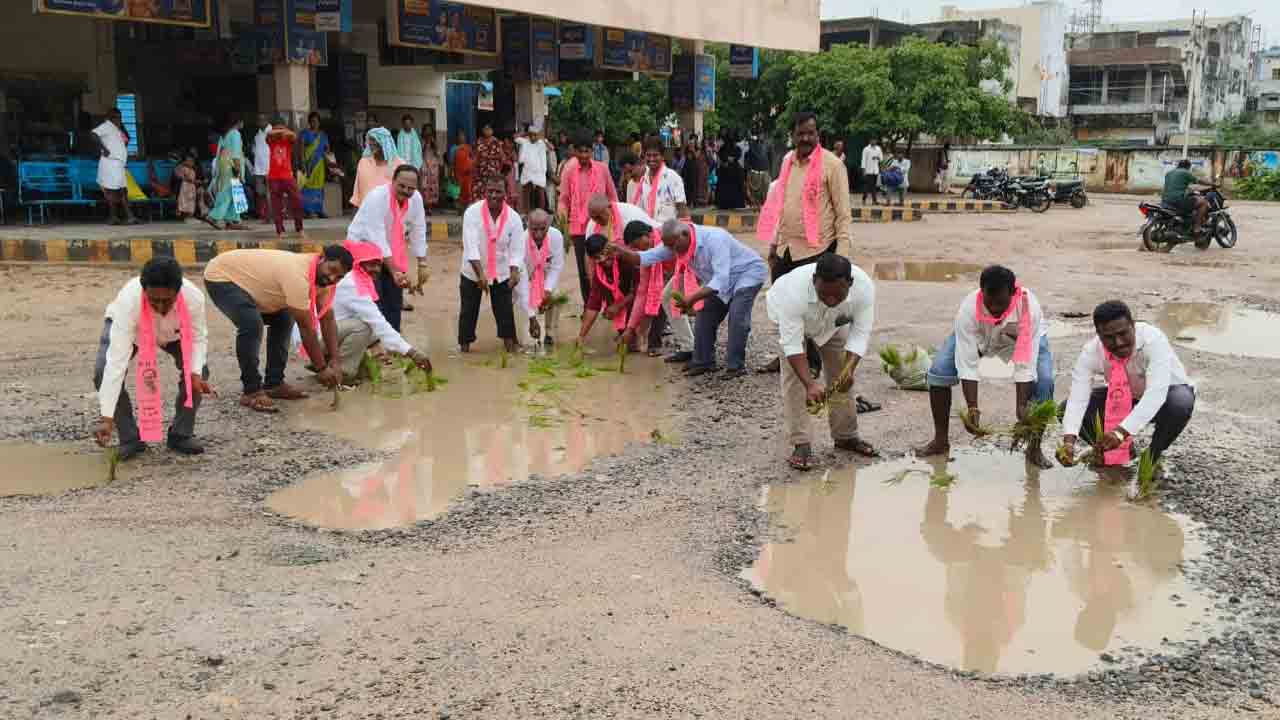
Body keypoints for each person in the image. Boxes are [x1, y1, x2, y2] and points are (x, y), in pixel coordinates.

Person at [916, 265, 1055, 468]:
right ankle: (940, 441)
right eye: (990, 303)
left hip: (1020, 341)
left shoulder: (1028, 308)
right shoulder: (968, 308)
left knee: (1044, 382)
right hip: (981, 338)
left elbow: (1024, 365)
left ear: (1013, 292)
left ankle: (1034, 448)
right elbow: (967, 362)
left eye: (1001, 303)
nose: (995, 309)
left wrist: (1021, 408)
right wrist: (972, 407)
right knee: (938, 373)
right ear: (982, 292)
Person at [757, 111, 854, 374]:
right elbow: (781, 205)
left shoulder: (832, 165)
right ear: (793, 135)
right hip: (787, 248)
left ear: (817, 134)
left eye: (810, 133)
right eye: (800, 133)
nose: (805, 138)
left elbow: (844, 215)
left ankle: (815, 364)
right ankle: (790, 356)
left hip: (817, 250)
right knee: (783, 308)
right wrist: (773, 246)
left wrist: (841, 259)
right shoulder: (788, 160)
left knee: (814, 311)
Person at [203, 246, 352, 413]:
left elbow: (327, 318)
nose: (332, 278)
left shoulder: (324, 281)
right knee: (252, 325)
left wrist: (336, 361)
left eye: (339, 277)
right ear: (322, 258)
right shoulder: (299, 274)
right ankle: (251, 391)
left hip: (254, 284)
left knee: (283, 319)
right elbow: (306, 328)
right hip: (222, 275)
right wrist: (322, 369)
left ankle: (274, 384)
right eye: (331, 270)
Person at [766, 253, 878, 469]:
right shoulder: (794, 292)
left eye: (838, 294)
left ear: (850, 284)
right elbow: (792, 345)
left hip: (832, 325)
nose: (830, 300)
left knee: (841, 375)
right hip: (790, 319)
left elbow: (860, 333)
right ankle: (801, 443)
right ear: (814, 279)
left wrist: (849, 369)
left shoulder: (864, 288)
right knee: (794, 379)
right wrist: (810, 384)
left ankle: (846, 436)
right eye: (823, 293)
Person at [615, 219, 767, 377]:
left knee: (737, 316)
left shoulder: (715, 239)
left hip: (747, 273)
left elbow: (720, 280)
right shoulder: (674, 243)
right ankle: (703, 361)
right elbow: (645, 257)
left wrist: (692, 298)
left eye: (673, 246)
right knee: (705, 315)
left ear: (685, 235)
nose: (671, 251)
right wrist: (618, 250)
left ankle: (736, 366)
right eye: (668, 247)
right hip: (721, 279)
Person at [94, 257, 212, 460]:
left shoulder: (194, 298)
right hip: (136, 330)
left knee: (199, 372)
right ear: (143, 291)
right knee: (102, 370)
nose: (159, 306)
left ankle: (180, 434)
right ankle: (130, 439)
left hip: (174, 333)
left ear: (178, 290)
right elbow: (116, 363)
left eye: (166, 300)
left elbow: (198, 338)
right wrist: (107, 416)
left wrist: (194, 372)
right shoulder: (128, 303)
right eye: (153, 300)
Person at [1059, 301, 1194, 466]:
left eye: (1123, 333)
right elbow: (1077, 398)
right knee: (1064, 408)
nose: (1119, 343)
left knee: (1180, 402)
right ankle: (1111, 452)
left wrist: (1120, 432)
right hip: (1125, 397)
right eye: (1108, 337)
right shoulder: (1091, 351)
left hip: (1166, 398)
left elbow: (1155, 394)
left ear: (1133, 325)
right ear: (1098, 334)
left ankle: (1152, 456)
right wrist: (1069, 441)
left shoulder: (1152, 340)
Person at [332, 240, 432, 384]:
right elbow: (378, 323)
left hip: (334, 331)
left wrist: (379, 348)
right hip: (321, 338)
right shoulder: (352, 284)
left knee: (369, 332)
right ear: (359, 263)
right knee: (364, 327)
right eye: (371, 264)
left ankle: (340, 364)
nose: (376, 269)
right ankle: (341, 375)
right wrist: (412, 353)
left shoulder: (358, 279)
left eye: (378, 264)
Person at [346, 164, 428, 332]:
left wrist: (422, 263)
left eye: (411, 188)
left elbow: (418, 228)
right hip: (365, 248)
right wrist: (395, 271)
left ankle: (394, 346)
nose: (406, 191)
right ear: (392, 181)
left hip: (390, 250)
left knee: (394, 301)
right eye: (401, 186)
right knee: (374, 301)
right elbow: (377, 237)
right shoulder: (377, 197)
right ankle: (373, 347)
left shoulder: (416, 199)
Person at [460, 175, 525, 353]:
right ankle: (464, 348)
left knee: (505, 310)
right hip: (472, 271)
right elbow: (470, 246)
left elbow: (517, 249)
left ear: (506, 193)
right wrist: (480, 274)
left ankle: (510, 345)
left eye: (498, 192)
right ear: (485, 192)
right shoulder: (472, 213)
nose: (494, 195)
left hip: (501, 272)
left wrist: (514, 271)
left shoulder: (514, 218)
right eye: (490, 191)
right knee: (468, 310)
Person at [557, 131, 619, 303]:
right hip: (578, 229)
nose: (584, 155)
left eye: (587, 151)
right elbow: (563, 200)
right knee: (585, 272)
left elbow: (613, 198)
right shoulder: (568, 170)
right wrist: (563, 227)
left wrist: (615, 224)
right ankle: (589, 305)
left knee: (607, 265)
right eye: (580, 151)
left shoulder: (602, 169)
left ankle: (612, 303)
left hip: (601, 227)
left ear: (592, 152)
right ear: (574, 152)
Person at [514, 209, 566, 349]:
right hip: (525, 281)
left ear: (549, 224)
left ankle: (549, 333)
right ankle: (517, 335)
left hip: (546, 280)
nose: (538, 234)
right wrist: (532, 317)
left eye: (543, 229)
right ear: (527, 225)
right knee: (514, 299)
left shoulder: (556, 237)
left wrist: (547, 291)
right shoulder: (521, 241)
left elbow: (557, 266)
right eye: (534, 229)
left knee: (556, 296)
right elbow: (521, 276)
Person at [575, 233, 639, 345]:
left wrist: (618, 306)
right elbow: (593, 305)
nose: (603, 259)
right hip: (624, 306)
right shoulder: (599, 273)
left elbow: (640, 291)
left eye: (604, 253)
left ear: (610, 248)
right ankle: (626, 332)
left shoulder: (627, 260)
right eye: (597, 257)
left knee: (632, 344)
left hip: (641, 303)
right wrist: (581, 336)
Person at [91, 108, 138, 225]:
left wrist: (121, 125)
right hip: (110, 163)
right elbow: (93, 134)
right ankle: (121, 217)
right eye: (117, 117)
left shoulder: (116, 128)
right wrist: (103, 148)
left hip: (118, 164)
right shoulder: (106, 126)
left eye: (120, 117)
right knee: (115, 191)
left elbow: (127, 139)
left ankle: (119, 217)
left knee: (121, 191)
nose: (119, 119)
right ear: (111, 117)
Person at [266, 117, 304, 237]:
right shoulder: (271, 141)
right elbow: (269, 133)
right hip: (273, 177)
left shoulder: (288, 141)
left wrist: (283, 131)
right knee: (277, 205)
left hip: (287, 176)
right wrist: (279, 131)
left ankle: (299, 228)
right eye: (278, 129)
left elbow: (293, 135)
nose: (280, 132)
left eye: (282, 129)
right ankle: (280, 231)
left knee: (297, 200)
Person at [207, 117, 248, 230]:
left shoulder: (225, 135)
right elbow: (235, 154)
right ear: (238, 122)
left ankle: (233, 220)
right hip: (231, 166)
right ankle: (214, 216)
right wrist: (238, 169)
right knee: (228, 193)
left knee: (234, 193)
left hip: (224, 166)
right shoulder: (235, 134)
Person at [638, 137, 688, 222]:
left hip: (669, 233)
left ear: (662, 156)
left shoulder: (673, 178)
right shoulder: (643, 180)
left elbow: (682, 209)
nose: (651, 159)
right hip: (649, 232)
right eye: (648, 155)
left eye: (655, 155)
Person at [351, 127, 402, 209]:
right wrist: (356, 208)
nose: (371, 143)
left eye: (374, 140)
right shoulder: (363, 162)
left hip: (390, 211)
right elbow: (357, 187)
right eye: (369, 140)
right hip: (367, 210)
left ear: (385, 142)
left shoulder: (398, 164)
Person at [1161, 159, 1210, 235]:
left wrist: (1189, 190)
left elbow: (1177, 185)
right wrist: (1211, 184)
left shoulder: (1169, 173)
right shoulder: (1186, 173)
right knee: (1203, 203)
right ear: (1188, 167)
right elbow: (1199, 181)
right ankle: (1197, 227)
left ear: (1178, 165)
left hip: (1165, 200)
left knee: (1190, 201)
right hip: (1177, 201)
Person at [299, 112, 329, 219]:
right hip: (308, 164)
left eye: (316, 121)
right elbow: (301, 151)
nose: (314, 123)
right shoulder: (305, 134)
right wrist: (303, 164)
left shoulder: (323, 135)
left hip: (319, 165)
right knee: (308, 188)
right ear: (309, 122)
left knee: (319, 188)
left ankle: (319, 209)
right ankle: (309, 211)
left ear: (319, 123)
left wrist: (332, 164)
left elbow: (327, 151)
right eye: (312, 121)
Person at [515, 124, 549, 211]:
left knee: (540, 192)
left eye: (535, 135)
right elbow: (515, 137)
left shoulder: (542, 142)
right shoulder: (525, 141)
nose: (533, 137)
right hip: (528, 170)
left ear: (538, 135)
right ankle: (526, 213)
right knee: (526, 191)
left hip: (539, 171)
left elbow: (551, 148)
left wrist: (542, 138)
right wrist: (525, 133)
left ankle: (541, 212)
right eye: (531, 135)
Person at [252, 114, 274, 222]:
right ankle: (265, 215)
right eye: (258, 120)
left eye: (262, 120)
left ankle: (270, 216)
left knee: (269, 193)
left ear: (267, 120)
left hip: (269, 168)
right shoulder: (257, 135)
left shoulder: (272, 133)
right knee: (261, 194)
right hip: (258, 169)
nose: (259, 122)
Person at [174, 155, 206, 222]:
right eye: (189, 161)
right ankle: (187, 217)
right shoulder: (183, 168)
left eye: (192, 161)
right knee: (186, 202)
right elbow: (184, 177)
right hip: (186, 188)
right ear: (185, 162)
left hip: (191, 188)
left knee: (192, 202)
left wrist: (198, 182)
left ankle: (190, 217)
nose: (191, 162)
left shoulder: (192, 169)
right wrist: (195, 181)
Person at [450, 129, 475, 207]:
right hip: (458, 173)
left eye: (463, 136)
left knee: (467, 191)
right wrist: (451, 173)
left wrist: (471, 168)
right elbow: (451, 162)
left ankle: (466, 207)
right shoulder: (454, 148)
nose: (461, 137)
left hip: (467, 173)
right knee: (457, 191)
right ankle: (459, 207)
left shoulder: (468, 147)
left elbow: (472, 158)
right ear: (457, 137)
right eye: (460, 136)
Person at [682, 142, 709, 208]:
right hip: (688, 170)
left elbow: (696, 157)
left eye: (692, 144)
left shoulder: (698, 152)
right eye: (690, 144)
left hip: (695, 170)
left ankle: (695, 202)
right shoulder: (686, 153)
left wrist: (693, 150)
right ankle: (689, 202)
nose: (691, 145)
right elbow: (686, 159)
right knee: (688, 187)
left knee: (695, 187)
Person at [420, 133, 441, 213]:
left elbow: (438, 155)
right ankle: (425, 206)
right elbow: (420, 155)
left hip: (433, 170)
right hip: (425, 169)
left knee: (432, 188)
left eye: (430, 136)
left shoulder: (435, 146)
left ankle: (430, 208)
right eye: (427, 137)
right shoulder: (422, 145)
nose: (429, 138)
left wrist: (434, 145)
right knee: (424, 187)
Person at [860, 139, 885, 206]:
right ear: (870, 141)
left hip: (875, 170)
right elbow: (863, 160)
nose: (873, 142)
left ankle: (874, 201)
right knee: (867, 186)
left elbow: (881, 159)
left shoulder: (878, 149)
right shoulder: (866, 149)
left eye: (874, 140)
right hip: (868, 170)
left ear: (876, 141)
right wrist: (863, 170)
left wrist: (877, 157)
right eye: (872, 140)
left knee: (873, 186)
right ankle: (864, 199)